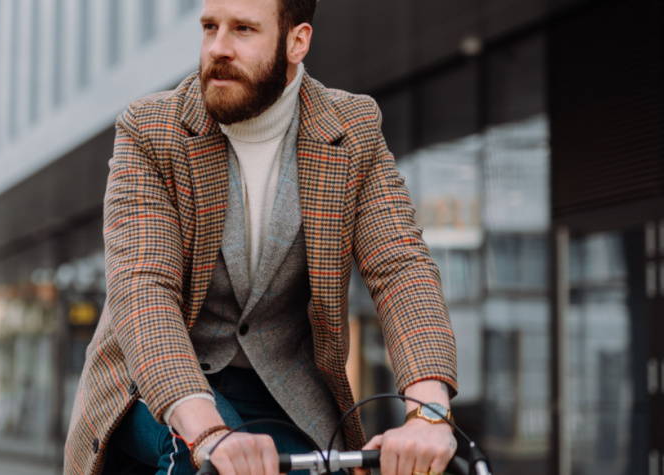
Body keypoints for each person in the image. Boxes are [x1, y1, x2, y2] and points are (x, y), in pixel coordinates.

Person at [64, 1, 459, 474]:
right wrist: (209, 431)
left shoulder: (353, 130)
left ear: (297, 41)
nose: (217, 48)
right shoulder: (151, 130)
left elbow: (401, 269)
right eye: (210, 27)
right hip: (158, 384)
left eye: (243, 30)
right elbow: (143, 290)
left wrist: (428, 413)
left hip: (284, 392)